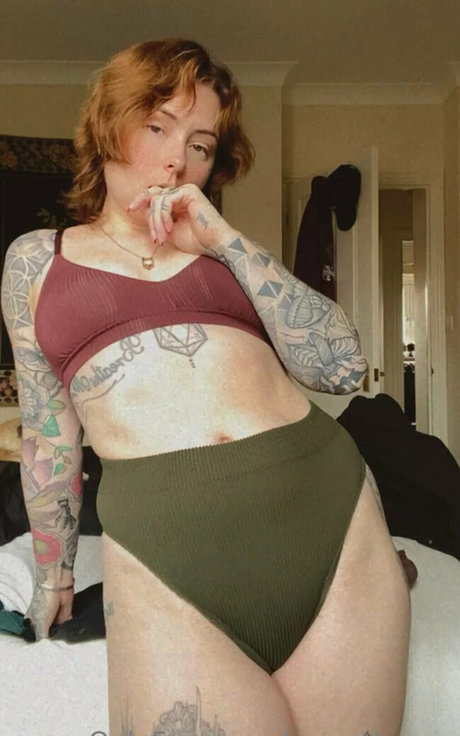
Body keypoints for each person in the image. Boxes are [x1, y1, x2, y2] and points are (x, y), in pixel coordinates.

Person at [1, 39, 410, 736]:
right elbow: (48, 433)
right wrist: (53, 577)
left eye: (200, 145)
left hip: (328, 516)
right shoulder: (40, 259)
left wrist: (225, 242)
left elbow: (342, 366)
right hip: (167, 548)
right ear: (108, 125)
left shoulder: (228, 255)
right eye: (156, 127)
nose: (176, 162)